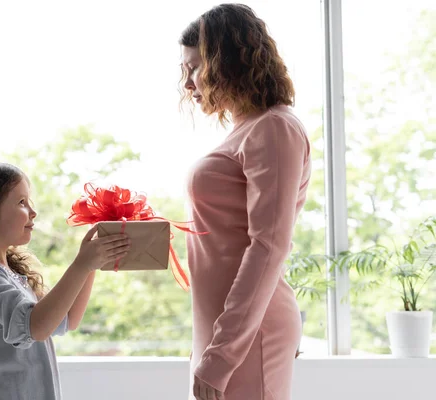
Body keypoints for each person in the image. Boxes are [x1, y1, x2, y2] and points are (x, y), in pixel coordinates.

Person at [180, 4, 312, 400]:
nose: (187, 83)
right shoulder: (247, 130)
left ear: (226, 62)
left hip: (249, 337)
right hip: (222, 329)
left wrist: (221, 357)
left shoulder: (274, 128)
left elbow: (269, 246)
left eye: (194, 68)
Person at [0, 162, 130, 400]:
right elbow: (36, 327)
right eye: (21, 202)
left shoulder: (10, 274)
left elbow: (68, 319)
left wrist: (89, 266)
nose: (32, 211)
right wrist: (81, 264)